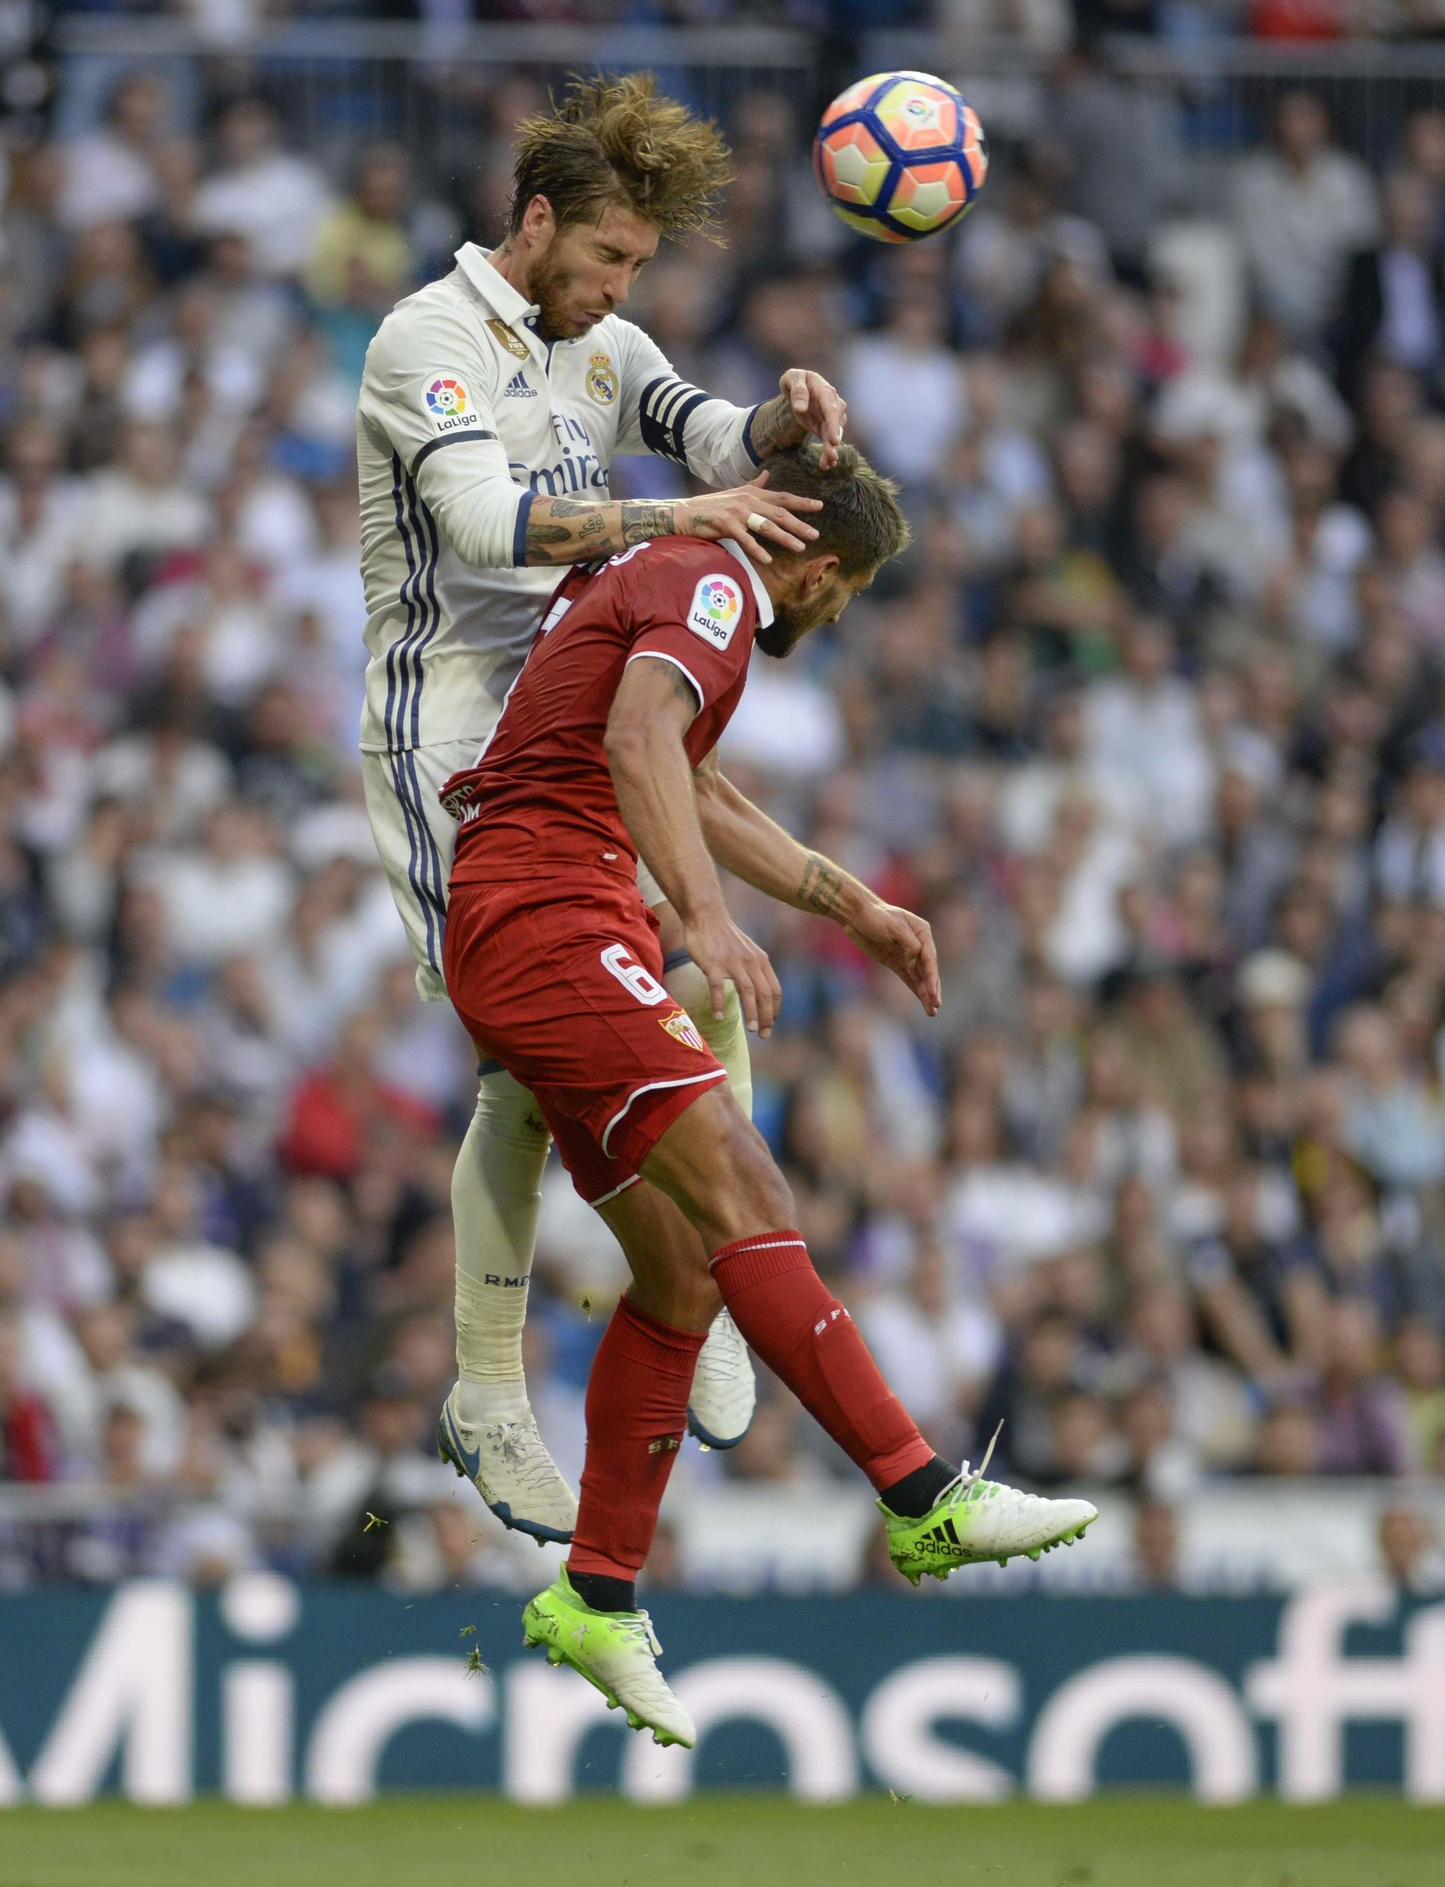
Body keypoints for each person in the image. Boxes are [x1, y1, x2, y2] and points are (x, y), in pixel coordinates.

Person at [441, 442, 1098, 1747]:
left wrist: (854, 905)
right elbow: (640, 743)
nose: (831, 619)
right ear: (817, 564)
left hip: (532, 915)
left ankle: (601, 1596)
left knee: (684, 1269)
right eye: (841, 598)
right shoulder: (721, 586)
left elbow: (695, 783)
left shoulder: (659, 573)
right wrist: (708, 920)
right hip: (556, 915)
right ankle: (923, 1500)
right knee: (753, 1190)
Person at [356, 73, 855, 1545]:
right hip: (447, 735)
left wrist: (784, 415)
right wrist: (673, 520)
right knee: (521, 1058)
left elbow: (714, 442)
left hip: (572, 718)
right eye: (605, 260)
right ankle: (486, 1392)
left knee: (688, 965)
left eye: (637, 267)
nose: (620, 289)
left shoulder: (606, 342)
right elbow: (486, 525)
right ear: (533, 221)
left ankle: (701, 1270)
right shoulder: (425, 342)